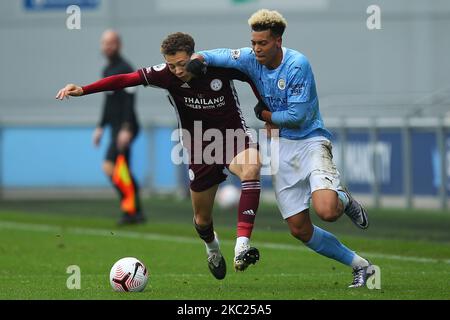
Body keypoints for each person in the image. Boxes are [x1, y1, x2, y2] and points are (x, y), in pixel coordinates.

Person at [189, 9, 375, 288]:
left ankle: (344, 200)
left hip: (310, 142)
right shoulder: (252, 58)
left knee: (327, 211)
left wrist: (265, 116)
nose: (256, 49)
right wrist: (198, 58)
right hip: (280, 147)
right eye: (253, 42)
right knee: (299, 229)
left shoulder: (298, 64)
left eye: (262, 43)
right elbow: (223, 55)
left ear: (278, 41)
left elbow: (296, 117)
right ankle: (362, 267)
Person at [56, 32, 263, 280]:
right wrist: (84, 89)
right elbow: (125, 79)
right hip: (199, 146)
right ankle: (212, 248)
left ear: (193, 56)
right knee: (202, 220)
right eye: (171, 64)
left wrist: (265, 106)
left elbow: (255, 74)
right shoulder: (164, 75)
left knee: (251, 168)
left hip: (232, 136)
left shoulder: (216, 66)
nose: (176, 70)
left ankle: (242, 245)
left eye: (182, 64)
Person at [95, 30, 145, 225]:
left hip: (127, 126)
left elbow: (129, 102)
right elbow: (107, 104)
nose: (107, 47)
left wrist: (126, 128)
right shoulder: (107, 70)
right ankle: (133, 211)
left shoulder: (126, 68)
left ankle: (133, 211)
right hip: (115, 127)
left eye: (111, 43)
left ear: (119, 45)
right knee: (117, 169)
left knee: (113, 167)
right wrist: (100, 127)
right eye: (104, 43)